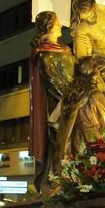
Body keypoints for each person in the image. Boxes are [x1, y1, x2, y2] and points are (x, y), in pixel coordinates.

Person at [29, 11, 75, 190]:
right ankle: (57, 177)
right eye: (57, 23)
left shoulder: (64, 49)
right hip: (59, 104)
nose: (61, 26)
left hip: (73, 97)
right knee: (60, 140)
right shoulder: (45, 54)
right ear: (49, 26)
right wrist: (71, 95)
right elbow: (53, 82)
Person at [57, 57, 105, 158]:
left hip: (75, 141)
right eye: (96, 68)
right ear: (94, 74)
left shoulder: (70, 96)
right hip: (94, 142)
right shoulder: (96, 95)